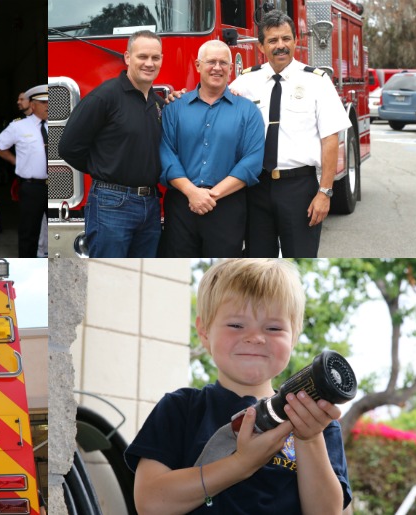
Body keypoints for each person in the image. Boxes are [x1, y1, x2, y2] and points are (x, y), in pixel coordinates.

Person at [128, 259, 350, 514]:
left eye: (274, 327)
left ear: (294, 337)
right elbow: (150, 503)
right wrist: (240, 464)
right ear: (204, 332)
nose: (255, 337)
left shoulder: (315, 421)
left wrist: (309, 439)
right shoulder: (180, 408)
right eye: (236, 325)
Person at [231, 10, 351, 258]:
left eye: (286, 39)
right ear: (262, 46)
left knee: (300, 261)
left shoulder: (317, 81)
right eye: (273, 40)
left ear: (296, 41)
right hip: (256, 187)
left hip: (299, 188)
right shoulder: (244, 82)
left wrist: (325, 192)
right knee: (258, 264)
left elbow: (330, 139)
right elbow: (215, 107)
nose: (280, 46)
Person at [59, 30, 168, 258]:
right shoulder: (105, 97)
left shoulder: (158, 104)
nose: (149, 63)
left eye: (155, 58)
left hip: (150, 205)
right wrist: (105, 168)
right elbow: (68, 147)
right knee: (109, 277)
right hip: (111, 204)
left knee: (142, 278)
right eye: (142, 57)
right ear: (128, 58)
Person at [160, 40, 266, 258]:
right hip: (182, 206)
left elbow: (252, 162)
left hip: (227, 206)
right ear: (198, 65)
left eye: (223, 63)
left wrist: (210, 196)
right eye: (211, 62)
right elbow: (166, 154)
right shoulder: (174, 108)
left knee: (224, 271)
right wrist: (192, 192)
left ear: (230, 68)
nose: (217, 68)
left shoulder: (248, 111)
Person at [0, 85, 49, 258]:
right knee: (29, 232)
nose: (49, 105)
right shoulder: (19, 126)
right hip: (33, 186)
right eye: (43, 102)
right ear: (32, 105)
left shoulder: (58, 124)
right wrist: (16, 162)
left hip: (58, 186)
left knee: (57, 229)